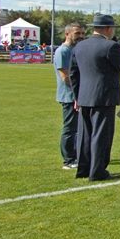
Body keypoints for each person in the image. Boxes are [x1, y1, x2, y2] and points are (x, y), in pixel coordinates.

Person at [70, 14, 120, 181]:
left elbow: (73, 74)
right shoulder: (110, 46)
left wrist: (77, 96)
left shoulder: (79, 46)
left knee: (85, 134)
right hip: (104, 96)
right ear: (108, 29)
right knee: (101, 135)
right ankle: (98, 171)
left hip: (84, 96)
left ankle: (84, 169)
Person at [53, 22, 85, 169]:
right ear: (67, 34)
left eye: (82, 33)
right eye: (77, 33)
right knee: (70, 128)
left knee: (78, 129)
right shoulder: (63, 51)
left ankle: (77, 156)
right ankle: (68, 159)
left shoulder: (74, 50)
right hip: (69, 97)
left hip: (77, 96)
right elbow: (66, 77)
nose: (81, 36)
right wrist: (77, 94)